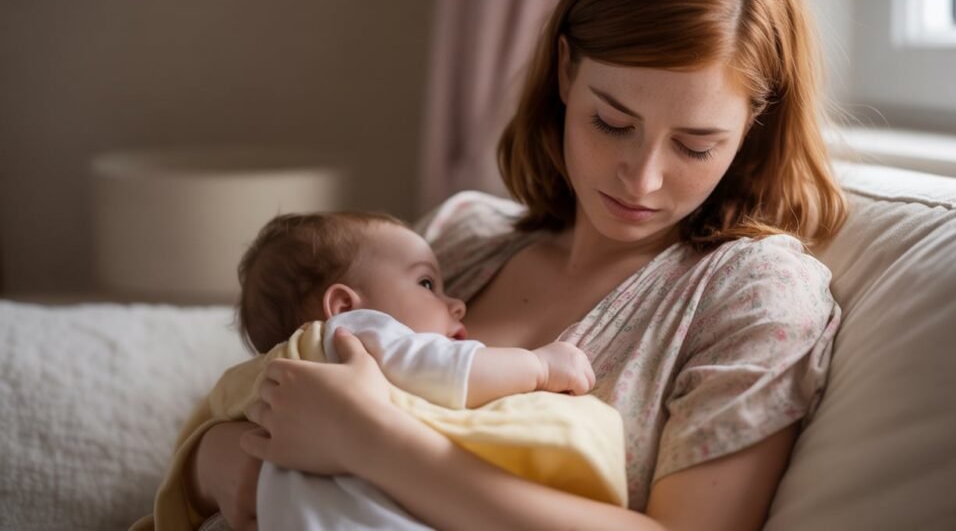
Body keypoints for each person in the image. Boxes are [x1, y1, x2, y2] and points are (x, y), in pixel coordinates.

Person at [189, 0, 850, 528]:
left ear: (754, 124)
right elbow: (261, 393)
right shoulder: (457, 241)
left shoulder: (753, 296)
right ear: (565, 72)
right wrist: (218, 463)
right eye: (611, 122)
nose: (643, 178)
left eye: (695, 145)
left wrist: (374, 443)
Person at [132, 211, 627, 530]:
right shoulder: (352, 335)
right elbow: (449, 371)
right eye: (427, 284)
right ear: (344, 305)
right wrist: (539, 366)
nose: (456, 304)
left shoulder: (265, 375)